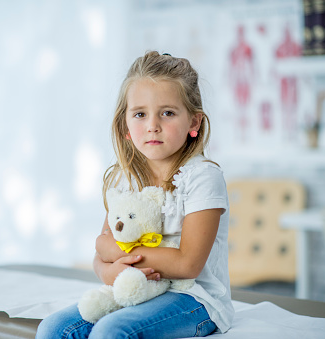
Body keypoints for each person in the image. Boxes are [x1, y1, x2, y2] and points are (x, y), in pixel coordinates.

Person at [36, 51, 234, 338]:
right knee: (54, 329)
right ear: (125, 126)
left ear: (194, 122)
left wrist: (119, 252)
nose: (152, 125)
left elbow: (187, 263)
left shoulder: (202, 177)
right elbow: (100, 250)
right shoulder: (125, 177)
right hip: (135, 288)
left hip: (194, 298)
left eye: (167, 112)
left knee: (112, 331)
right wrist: (108, 273)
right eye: (140, 114)